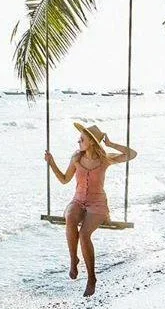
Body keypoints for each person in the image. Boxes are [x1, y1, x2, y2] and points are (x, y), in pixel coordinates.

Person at [44, 122, 137, 297]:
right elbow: (64, 179)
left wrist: (111, 144)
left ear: (92, 142)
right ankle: (73, 259)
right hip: (78, 201)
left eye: (82, 139)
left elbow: (132, 154)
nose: (78, 141)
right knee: (70, 216)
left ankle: (91, 278)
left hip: (97, 204)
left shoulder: (104, 160)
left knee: (84, 234)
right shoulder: (76, 158)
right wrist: (52, 163)